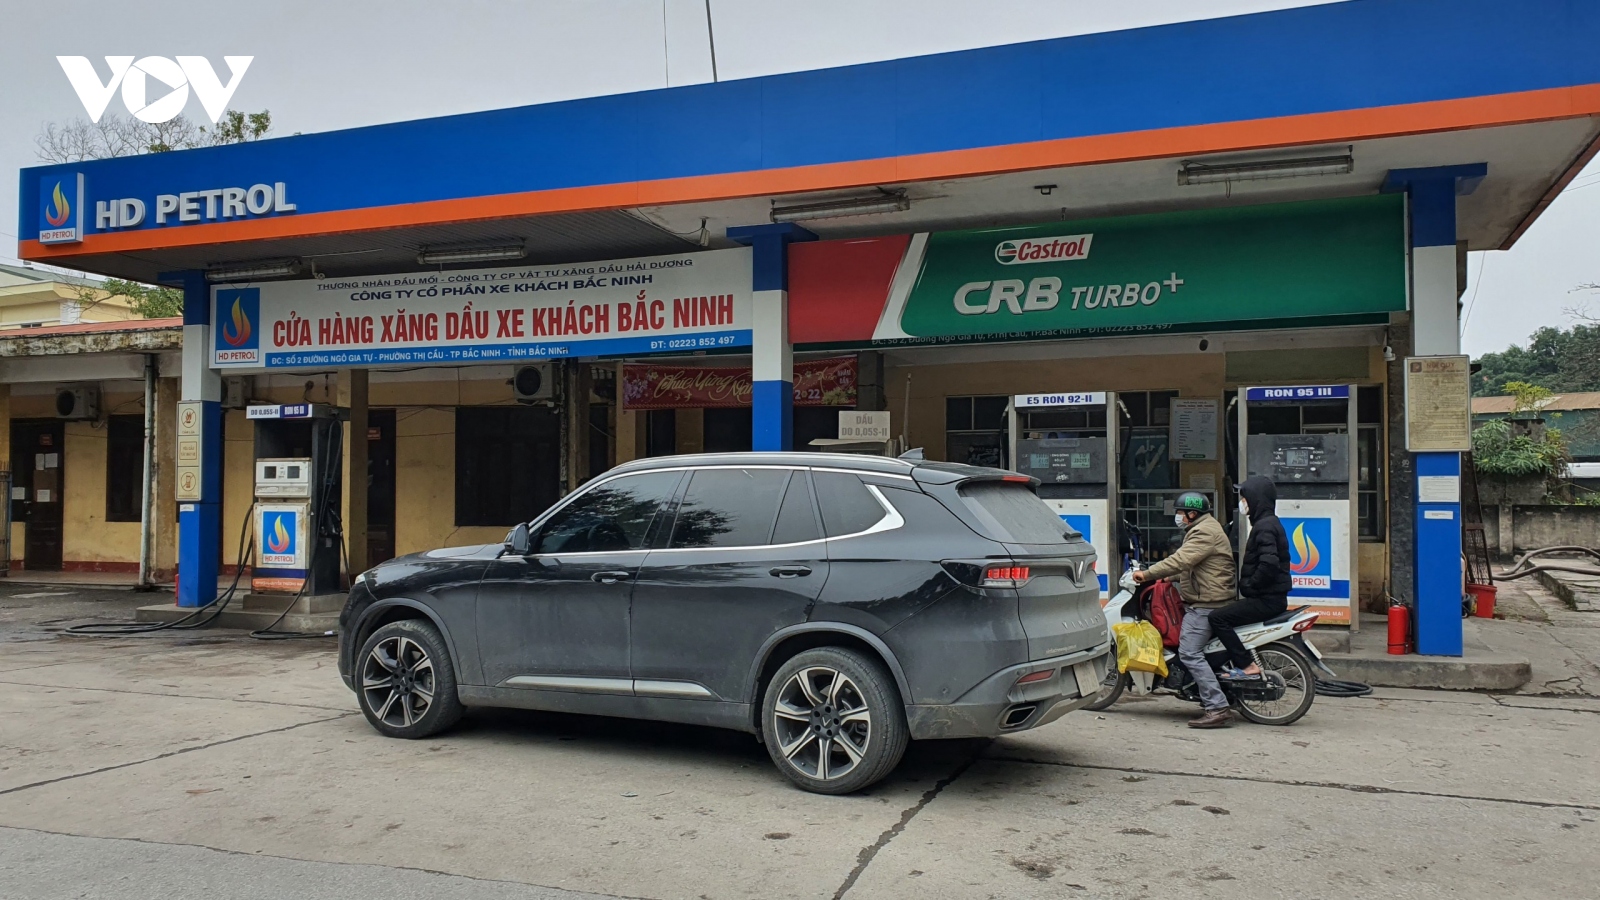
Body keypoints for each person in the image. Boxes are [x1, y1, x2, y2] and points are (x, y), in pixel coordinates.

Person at [1132, 491, 1237, 728]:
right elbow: (1196, 568)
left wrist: (1147, 574)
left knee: (1189, 652)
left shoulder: (1203, 532)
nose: (1178, 517)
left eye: (1180, 512)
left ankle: (1217, 707)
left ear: (1192, 513)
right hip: (1209, 597)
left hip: (1206, 604)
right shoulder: (1205, 527)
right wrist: (1168, 578)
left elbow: (1181, 560)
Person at [1211, 475, 1293, 680]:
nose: (1242, 502)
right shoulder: (1267, 523)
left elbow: (1269, 564)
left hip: (1267, 600)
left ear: (1256, 498)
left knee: (1217, 618)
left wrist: (1251, 585)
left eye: (1245, 497)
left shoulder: (1265, 526)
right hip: (1270, 598)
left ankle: (1246, 665)